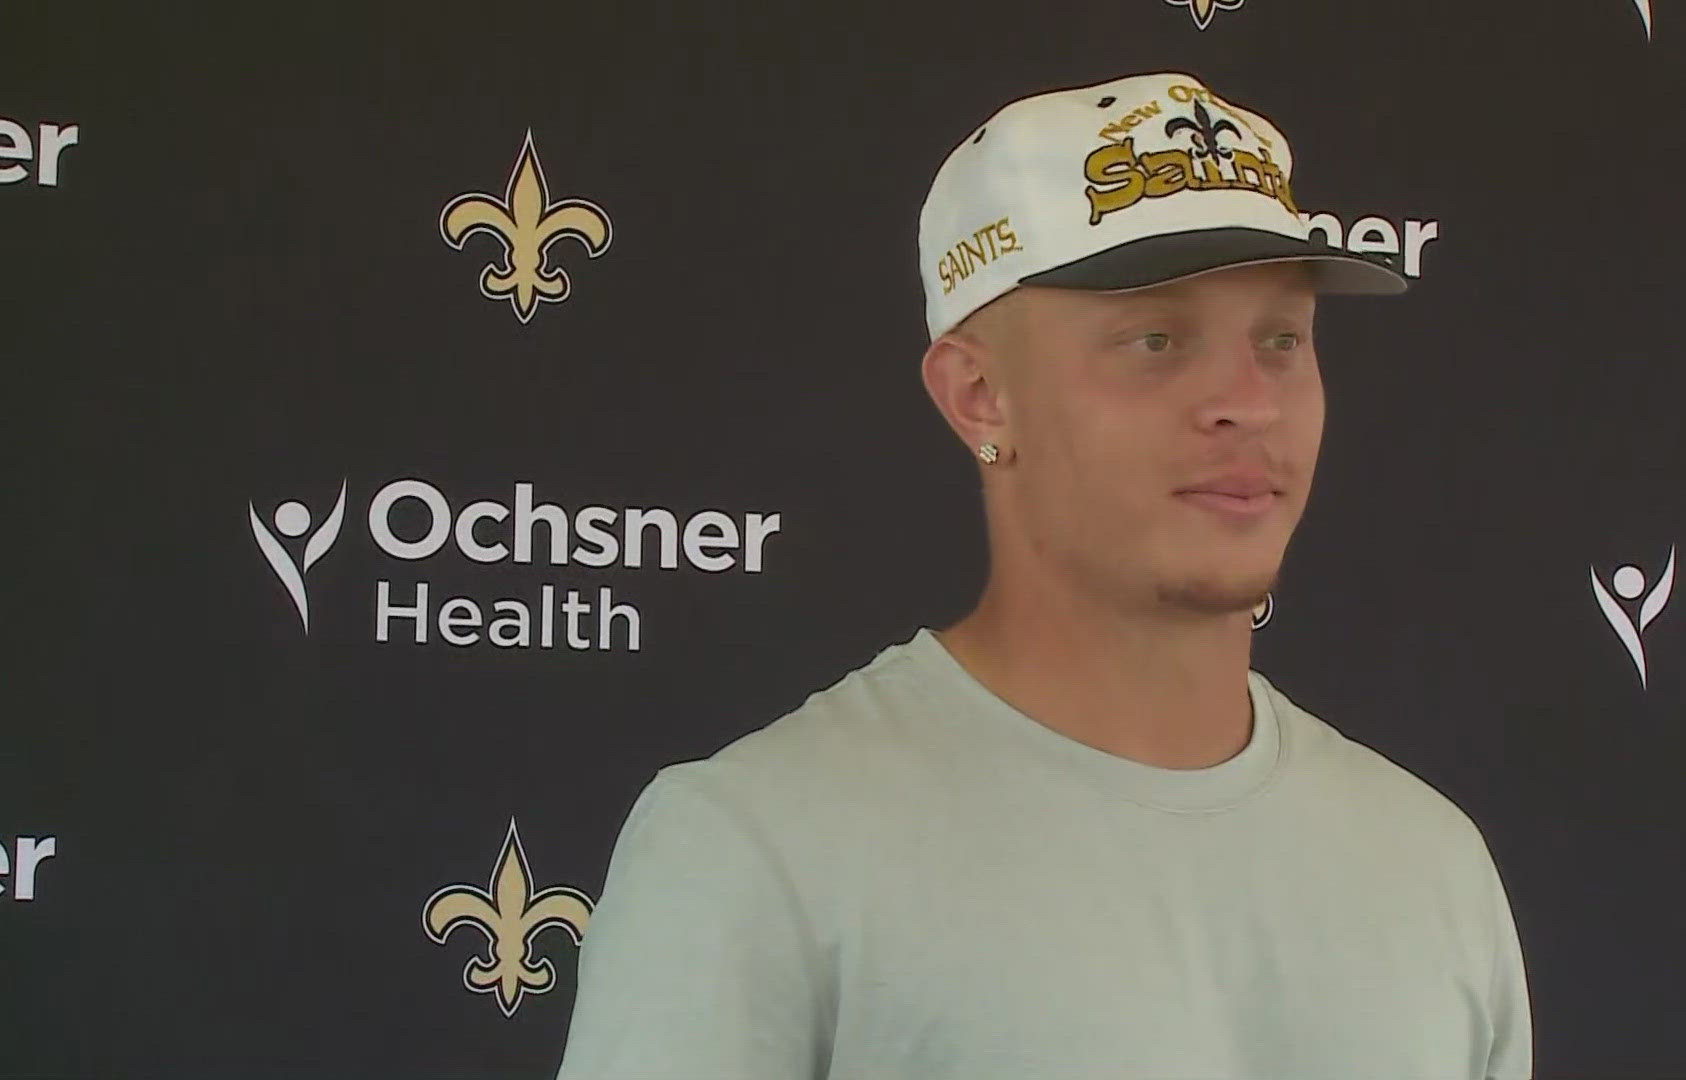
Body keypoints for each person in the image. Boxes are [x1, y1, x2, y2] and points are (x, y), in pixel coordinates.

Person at [555, 70, 1533, 1080]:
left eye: (1281, 340)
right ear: (980, 397)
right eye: (1157, 339)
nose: (1248, 401)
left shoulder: (1430, 864)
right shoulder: (755, 850)